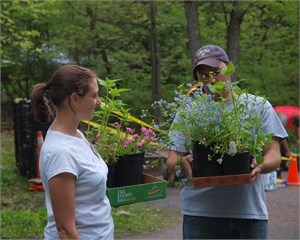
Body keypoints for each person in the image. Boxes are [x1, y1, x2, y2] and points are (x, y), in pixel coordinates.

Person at [166, 44, 288, 239]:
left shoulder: (257, 106)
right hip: (200, 212)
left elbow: (273, 153)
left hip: (248, 212)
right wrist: (182, 163)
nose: (211, 79)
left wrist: (260, 165)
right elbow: (172, 158)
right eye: (203, 75)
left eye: (216, 72)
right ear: (198, 79)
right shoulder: (189, 111)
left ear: (229, 68)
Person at [30, 65, 114, 239]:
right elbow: (65, 231)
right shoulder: (61, 152)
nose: (99, 102)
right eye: (94, 95)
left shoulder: (77, 135)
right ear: (75, 99)